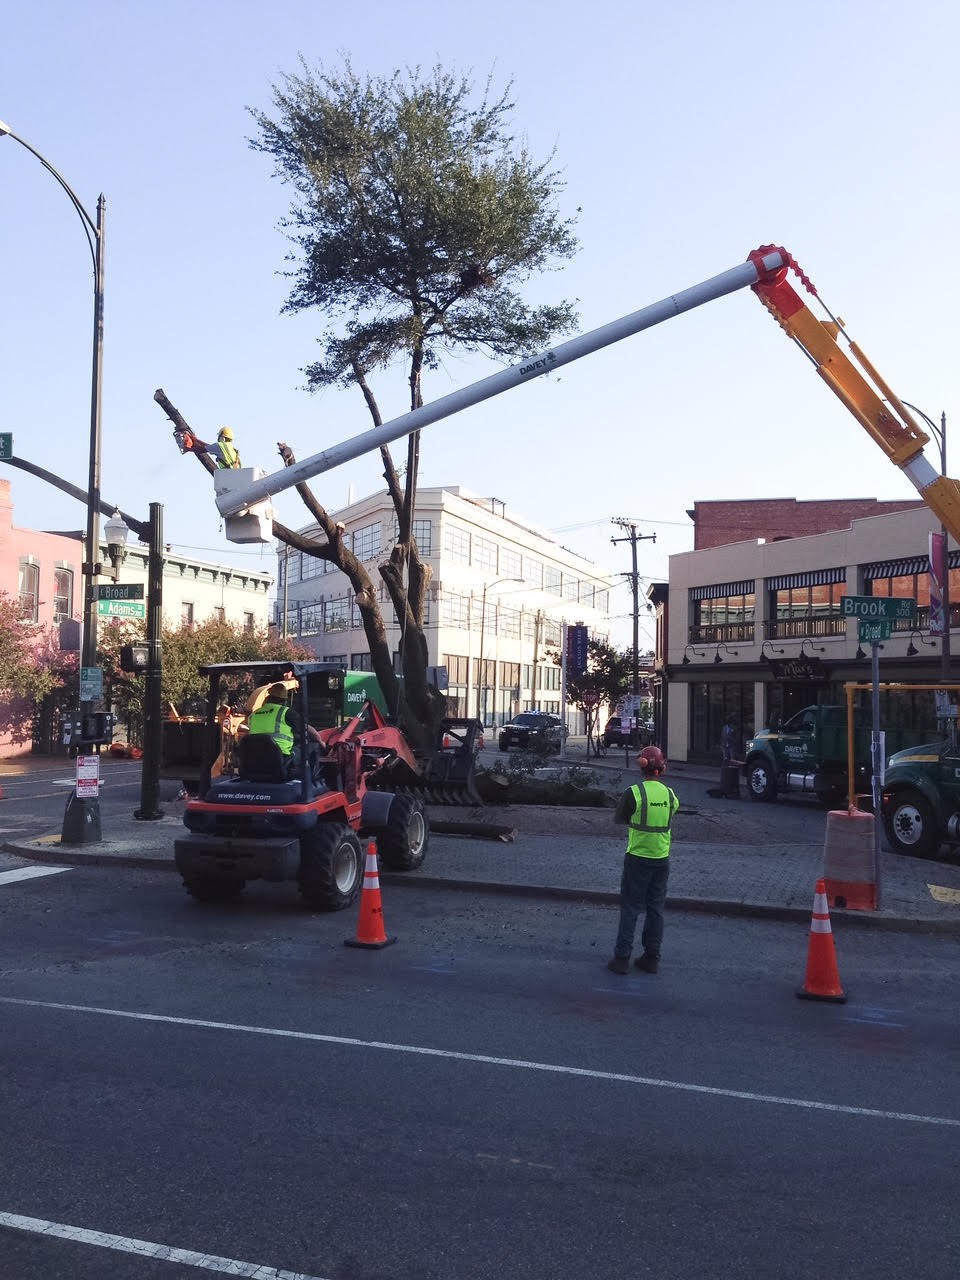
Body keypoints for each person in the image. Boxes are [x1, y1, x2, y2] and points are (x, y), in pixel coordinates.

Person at [607, 744, 680, 976]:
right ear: (662, 767)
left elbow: (620, 818)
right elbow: (673, 811)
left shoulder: (634, 793)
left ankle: (621, 959)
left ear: (642, 766)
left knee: (630, 908)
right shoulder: (670, 795)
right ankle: (651, 957)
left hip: (637, 858)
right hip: (661, 859)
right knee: (655, 908)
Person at [245, 683, 322, 778]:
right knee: (312, 747)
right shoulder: (286, 712)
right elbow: (307, 729)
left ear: (268, 698)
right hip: (280, 759)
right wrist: (320, 741)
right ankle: (311, 783)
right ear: (285, 700)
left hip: (255, 759)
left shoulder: (254, 715)